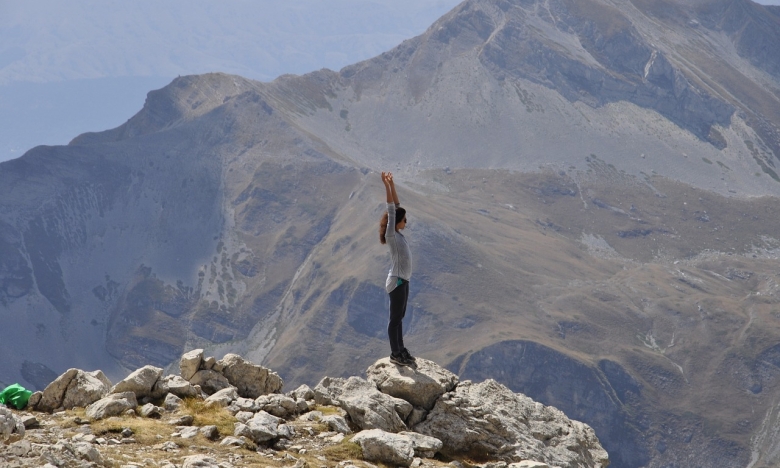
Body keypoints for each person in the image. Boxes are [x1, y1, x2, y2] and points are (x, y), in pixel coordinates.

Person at [380, 171, 416, 366]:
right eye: (404, 220)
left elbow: (397, 207)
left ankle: (401, 349)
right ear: (397, 222)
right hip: (397, 281)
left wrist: (392, 184)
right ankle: (395, 353)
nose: (406, 222)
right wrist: (386, 187)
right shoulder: (392, 235)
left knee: (400, 317)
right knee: (395, 319)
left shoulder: (398, 235)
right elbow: (392, 209)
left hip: (404, 280)